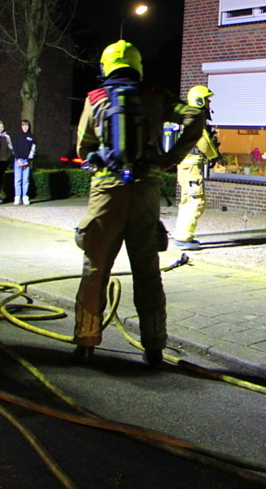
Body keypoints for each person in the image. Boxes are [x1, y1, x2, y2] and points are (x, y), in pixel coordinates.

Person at [72, 40, 204, 366]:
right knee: (147, 273)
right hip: (145, 194)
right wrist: (167, 159)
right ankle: (154, 347)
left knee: (95, 271)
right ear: (137, 65)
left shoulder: (96, 98)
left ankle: (86, 343)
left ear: (106, 67)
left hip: (106, 195)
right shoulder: (157, 95)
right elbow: (195, 117)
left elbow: (81, 147)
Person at [173, 85, 220, 251]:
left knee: (187, 200)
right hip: (192, 166)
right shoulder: (195, 118)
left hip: (186, 164)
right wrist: (215, 156)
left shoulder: (187, 116)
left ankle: (181, 235)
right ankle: (184, 238)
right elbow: (203, 141)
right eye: (207, 99)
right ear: (199, 100)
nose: (209, 102)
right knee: (196, 200)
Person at [12, 119, 36, 205]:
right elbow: (15, 149)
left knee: (25, 180)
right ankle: (17, 197)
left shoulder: (32, 137)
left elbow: (33, 150)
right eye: (23, 126)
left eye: (27, 126)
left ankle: (25, 196)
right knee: (17, 179)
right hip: (18, 160)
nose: (25, 128)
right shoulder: (17, 137)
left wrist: (28, 161)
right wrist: (18, 159)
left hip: (26, 161)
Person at [0, 120, 13, 203]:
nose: (0, 129)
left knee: (0, 179)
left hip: (3, 161)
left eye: (2, 127)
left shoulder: (6, 137)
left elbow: (10, 148)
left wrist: (7, 157)